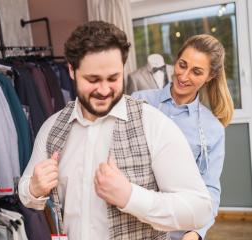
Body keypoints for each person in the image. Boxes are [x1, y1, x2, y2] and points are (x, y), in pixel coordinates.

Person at [18, 21, 212, 240]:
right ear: (71, 70)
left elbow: (199, 209)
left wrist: (130, 197)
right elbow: (26, 192)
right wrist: (34, 188)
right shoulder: (52, 127)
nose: (103, 90)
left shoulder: (154, 125)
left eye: (113, 78)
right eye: (92, 80)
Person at [132, 34, 234, 240]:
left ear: (210, 77)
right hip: (133, 224)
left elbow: (210, 189)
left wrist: (196, 232)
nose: (184, 76)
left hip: (177, 231)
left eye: (196, 72)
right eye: (182, 65)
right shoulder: (139, 102)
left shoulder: (212, 129)